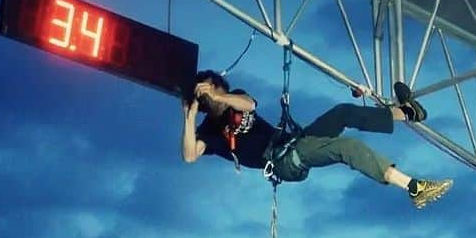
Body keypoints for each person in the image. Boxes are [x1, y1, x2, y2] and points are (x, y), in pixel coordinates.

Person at [181, 70, 453, 208]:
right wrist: (189, 116)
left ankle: (406, 112)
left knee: (342, 113)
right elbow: (190, 155)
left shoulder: (233, 99)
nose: (212, 96)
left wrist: (218, 95)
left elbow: (249, 104)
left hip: (293, 141)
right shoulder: (209, 131)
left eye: (214, 89)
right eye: (207, 95)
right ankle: (414, 188)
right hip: (282, 161)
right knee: (347, 148)